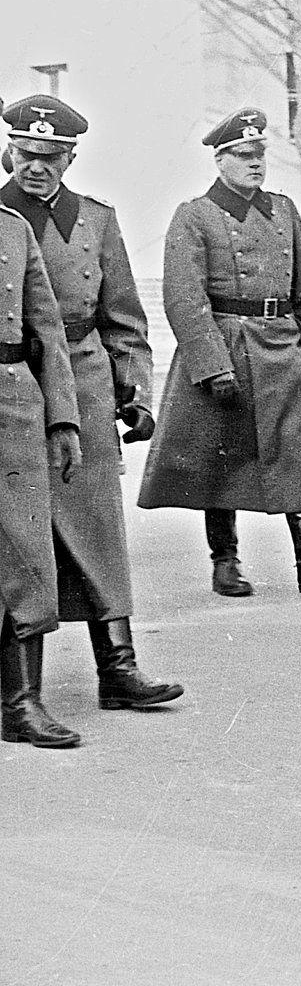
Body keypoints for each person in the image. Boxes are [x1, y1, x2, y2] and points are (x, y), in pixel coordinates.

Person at [137, 109, 301, 599]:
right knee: (220, 456)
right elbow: (184, 299)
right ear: (220, 160)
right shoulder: (194, 215)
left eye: (259, 155)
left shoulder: (283, 210)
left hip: (280, 344)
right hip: (226, 344)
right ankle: (225, 562)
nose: (254, 164)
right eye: (243, 156)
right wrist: (212, 365)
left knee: (297, 449)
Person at [0, 95, 180, 711]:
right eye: (25, 154)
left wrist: (136, 390)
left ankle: (119, 668)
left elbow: (124, 318)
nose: (35, 167)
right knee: (18, 536)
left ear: (70, 157)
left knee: (99, 527)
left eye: (50, 157)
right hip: (18, 381)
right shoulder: (1, 215)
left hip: (87, 377)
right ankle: (23, 692)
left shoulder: (97, 220)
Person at [0, 191, 84, 747]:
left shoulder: (11, 228)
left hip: (12, 399)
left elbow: (47, 328)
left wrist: (62, 420)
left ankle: (22, 700)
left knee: (27, 550)